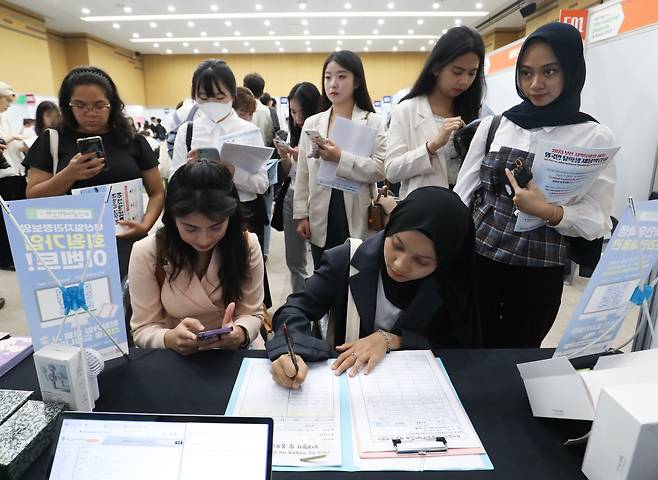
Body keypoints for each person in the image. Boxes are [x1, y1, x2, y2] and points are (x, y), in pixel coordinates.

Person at [454, 22, 616, 348]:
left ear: (571, 71)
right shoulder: (495, 126)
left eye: (550, 72)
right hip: (478, 262)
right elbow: (463, 196)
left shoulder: (594, 137)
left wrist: (550, 212)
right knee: (469, 348)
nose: (535, 84)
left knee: (519, 354)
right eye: (526, 73)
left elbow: (598, 218)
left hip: (538, 274)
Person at [267, 186, 480, 389]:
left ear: (445, 262)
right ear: (390, 228)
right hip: (351, 384)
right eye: (396, 245)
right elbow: (294, 309)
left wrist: (394, 340)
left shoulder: (448, 284)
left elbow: (458, 346)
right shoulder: (346, 260)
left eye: (422, 261)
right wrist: (289, 350)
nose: (400, 264)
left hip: (415, 393)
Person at [23, 66, 165, 280]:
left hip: (127, 241)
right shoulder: (52, 140)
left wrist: (145, 226)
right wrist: (69, 174)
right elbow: (33, 196)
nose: (90, 113)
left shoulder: (132, 141)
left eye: (99, 105)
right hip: (73, 245)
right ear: (68, 105)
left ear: (112, 105)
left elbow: (157, 192)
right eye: (80, 105)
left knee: (132, 304)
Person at [129, 160, 265, 353]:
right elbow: (143, 328)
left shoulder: (246, 244)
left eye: (216, 226)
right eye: (190, 228)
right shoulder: (148, 252)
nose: (204, 239)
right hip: (175, 359)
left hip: (235, 354)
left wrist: (239, 333)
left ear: (230, 216)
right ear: (173, 219)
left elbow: (252, 313)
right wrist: (169, 338)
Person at [170, 59, 271, 306]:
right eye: (204, 97)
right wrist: (192, 170)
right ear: (194, 96)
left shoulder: (248, 131)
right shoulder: (189, 131)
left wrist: (230, 170)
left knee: (242, 281)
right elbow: (174, 182)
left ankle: (247, 325)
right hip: (199, 215)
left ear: (231, 94)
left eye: (219, 96)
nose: (212, 104)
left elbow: (262, 184)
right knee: (203, 282)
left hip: (242, 215)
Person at [294, 50, 387, 269]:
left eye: (342, 76)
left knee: (355, 276)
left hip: (357, 211)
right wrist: (301, 214)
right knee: (324, 275)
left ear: (356, 82)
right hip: (321, 211)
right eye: (328, 77)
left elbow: (381, 169)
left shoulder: (372, 121)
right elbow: (303, 173)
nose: (332, 84)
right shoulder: (313, 123)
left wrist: (340, 158)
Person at [385, 26, 485, 198]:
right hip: (423, 212)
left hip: (465, 209)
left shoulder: (477, 111)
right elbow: (392, 171)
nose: (464, 81)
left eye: (472, 73)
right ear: (436, 67)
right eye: (457, 72)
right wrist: (432, 146)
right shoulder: (407, 110)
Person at [274, 82, 321, 293]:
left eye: (303, 112)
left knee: (324, 260)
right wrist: (285, 155)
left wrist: (299, 154)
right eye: (293, 112)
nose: (298, 118)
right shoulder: (295, 132)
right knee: (295, 261)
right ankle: (299, 306)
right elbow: (291, 172)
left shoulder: (322, 128)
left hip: (319, 199)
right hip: (293, 198)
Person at [0, 82, 26, 270]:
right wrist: (13, 138)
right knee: (4, 221)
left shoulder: (4, 119)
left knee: (16, 218)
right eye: (6, 100)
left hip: (15, 173)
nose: (8, 105)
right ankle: (6, 258)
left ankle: (16, 255)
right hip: (3, 177)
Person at [243, 72, 274, 146]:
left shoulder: (237, 108)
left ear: (244, 89)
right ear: (262, 93)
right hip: (262, 153)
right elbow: (269, 137)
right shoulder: (267, 111)